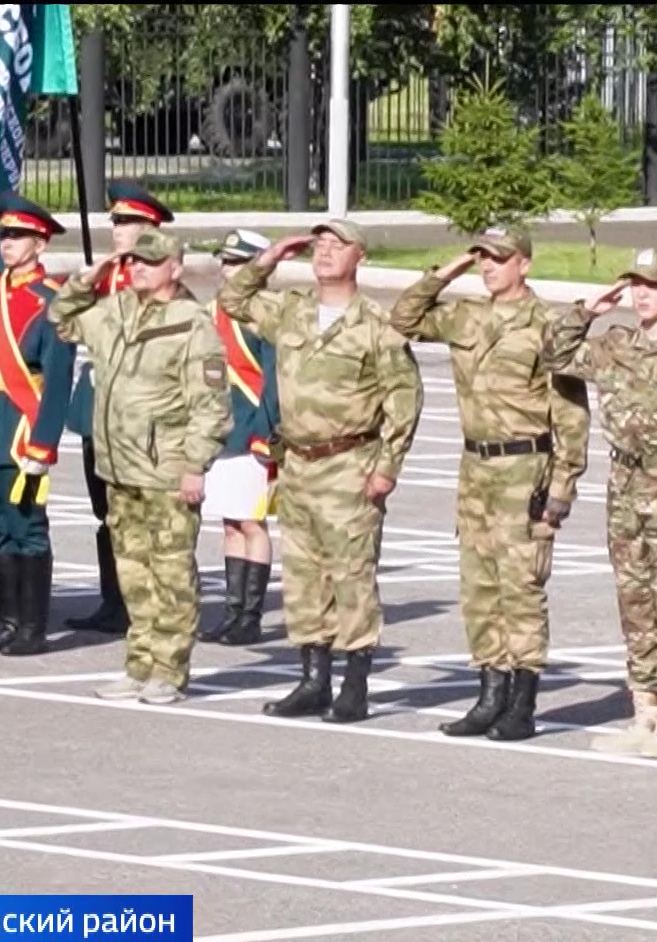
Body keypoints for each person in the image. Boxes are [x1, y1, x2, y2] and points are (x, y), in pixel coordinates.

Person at [389, 225, 590, 742]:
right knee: (478, 588)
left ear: (524, 263)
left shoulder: (546, 324)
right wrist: (446, 272)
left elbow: (569, 414)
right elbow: (404, 319)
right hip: (474, 467)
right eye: (482, 258)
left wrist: (563, 487)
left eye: (499, 258)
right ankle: (489, 693)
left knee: (520, 588)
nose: (488, 266)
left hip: (525, 467)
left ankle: (522, 702)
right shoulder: (466, 314)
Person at [218, 218, 423, 723]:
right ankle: (313, 679)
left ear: (361, 257)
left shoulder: (377, 326)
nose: (326, 252)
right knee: (304, 577)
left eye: (338, 245)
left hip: (350, 463)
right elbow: (233, 301)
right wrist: (268, 260)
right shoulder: (292, 312)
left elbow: (405, 400)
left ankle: (354, 684)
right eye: (320, 244)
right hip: (299, 464)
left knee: (351, 577)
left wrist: (386, 469)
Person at [542, 247, 657, 758]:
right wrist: (587, 309)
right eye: (637, 285)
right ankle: (643, 710)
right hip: (625, 484)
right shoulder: (617, 344)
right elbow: (554, 355)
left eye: (654, 284)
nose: (643, 294)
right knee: (635, 602)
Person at [47, 227, 231, 705]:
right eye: (135, 262)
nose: (139, 269)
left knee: (171, 573)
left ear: (175, 268)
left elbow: (210, 404)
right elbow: (60, 315)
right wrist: (93, 274)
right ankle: (139, 664)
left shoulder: (191, 323)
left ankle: (169, 670)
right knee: (132, 572)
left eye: (149, 262)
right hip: (119, 466)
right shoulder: (114, 310)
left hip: (165, 469)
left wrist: (196, 465)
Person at [0, 192, 76, 656]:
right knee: (0, 526)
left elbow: (58, 380)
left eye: (19, 235)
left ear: (40, 245)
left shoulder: (52, 302)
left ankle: (32, 627)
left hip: (22, 428)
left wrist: (43, 446)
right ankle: (8, 620)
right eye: (4, 234)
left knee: (27, 527)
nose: (8, 243)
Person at [62, 179, 174, 635]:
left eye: (127, 222)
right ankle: (115, 600)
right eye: (115, 221)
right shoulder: (106, 275)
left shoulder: (158, 276)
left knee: (142, 513)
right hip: (101, 409)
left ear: (149, 226)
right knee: (105, 512)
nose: (118, 229)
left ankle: (147, 601)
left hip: (140, 412)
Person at [197, 229, 280, 647]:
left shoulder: (264, 313)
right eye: (225, 262)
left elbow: (273, 378)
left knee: (251, 521)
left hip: (252, 429)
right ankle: (231, 612)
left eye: (236, 262)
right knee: (230, 523)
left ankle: (250, 615)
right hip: (222, 430)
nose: (227, 269)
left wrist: (268, 433)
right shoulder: (211, 311)